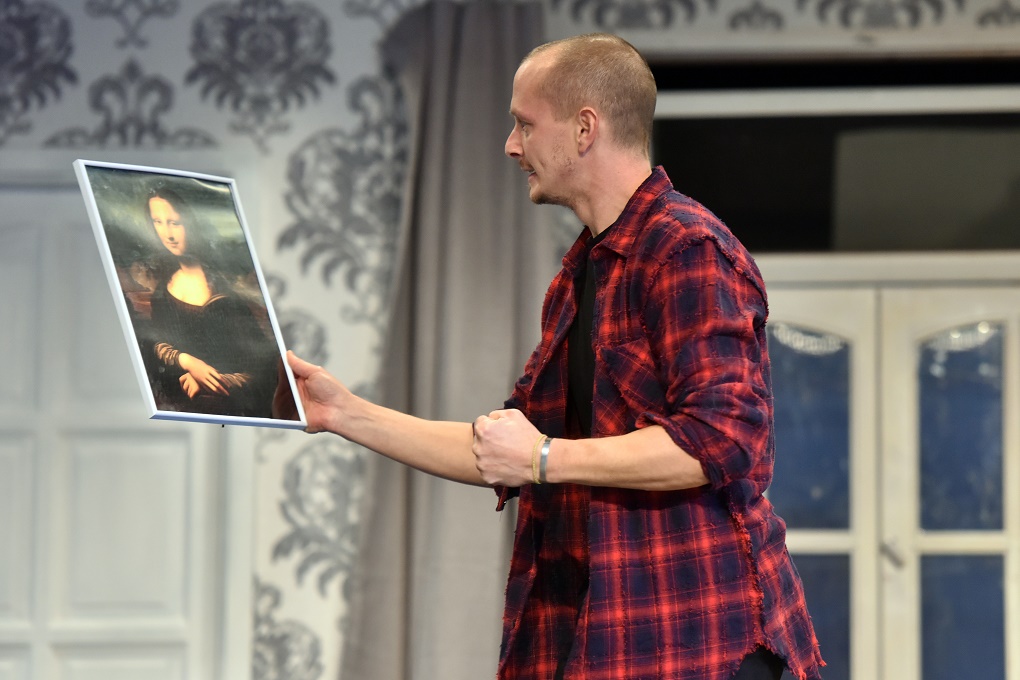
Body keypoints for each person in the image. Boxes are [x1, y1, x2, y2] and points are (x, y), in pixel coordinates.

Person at [286, 33, 825, 680]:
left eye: (525, 124)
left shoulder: (686, 249)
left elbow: (722, 439)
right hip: (605, 635)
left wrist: (544, 458)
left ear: (584, 129)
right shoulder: (579, 275)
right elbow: (503, 448)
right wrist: (343, 413)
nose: (511, 146)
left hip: (701, 642)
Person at [139, 184, 278, 418]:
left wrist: (210, 381)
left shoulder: (228, 294)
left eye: (175, 222)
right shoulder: (163, 291)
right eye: (158, 222)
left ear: (192, 221)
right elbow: (157, 346)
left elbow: (261, 371)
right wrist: (187, 361)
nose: (168, 234)